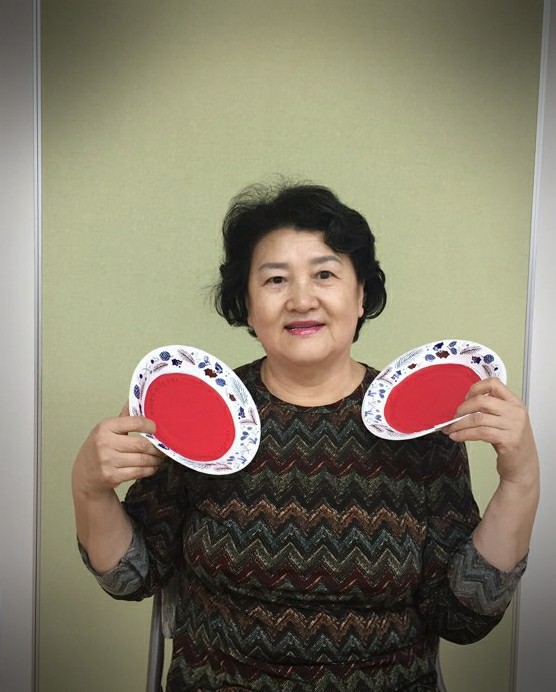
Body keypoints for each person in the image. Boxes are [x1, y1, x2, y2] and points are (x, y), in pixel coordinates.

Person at [72, 182, 539, 691]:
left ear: (361, 295)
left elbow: (463, 617)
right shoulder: (203, 407)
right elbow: (130, 577)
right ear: (247, 304)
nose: (301, 299)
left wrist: (520, 483)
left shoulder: (417, 421)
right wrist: (89, 488)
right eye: (275, 279)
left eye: (324, 274)